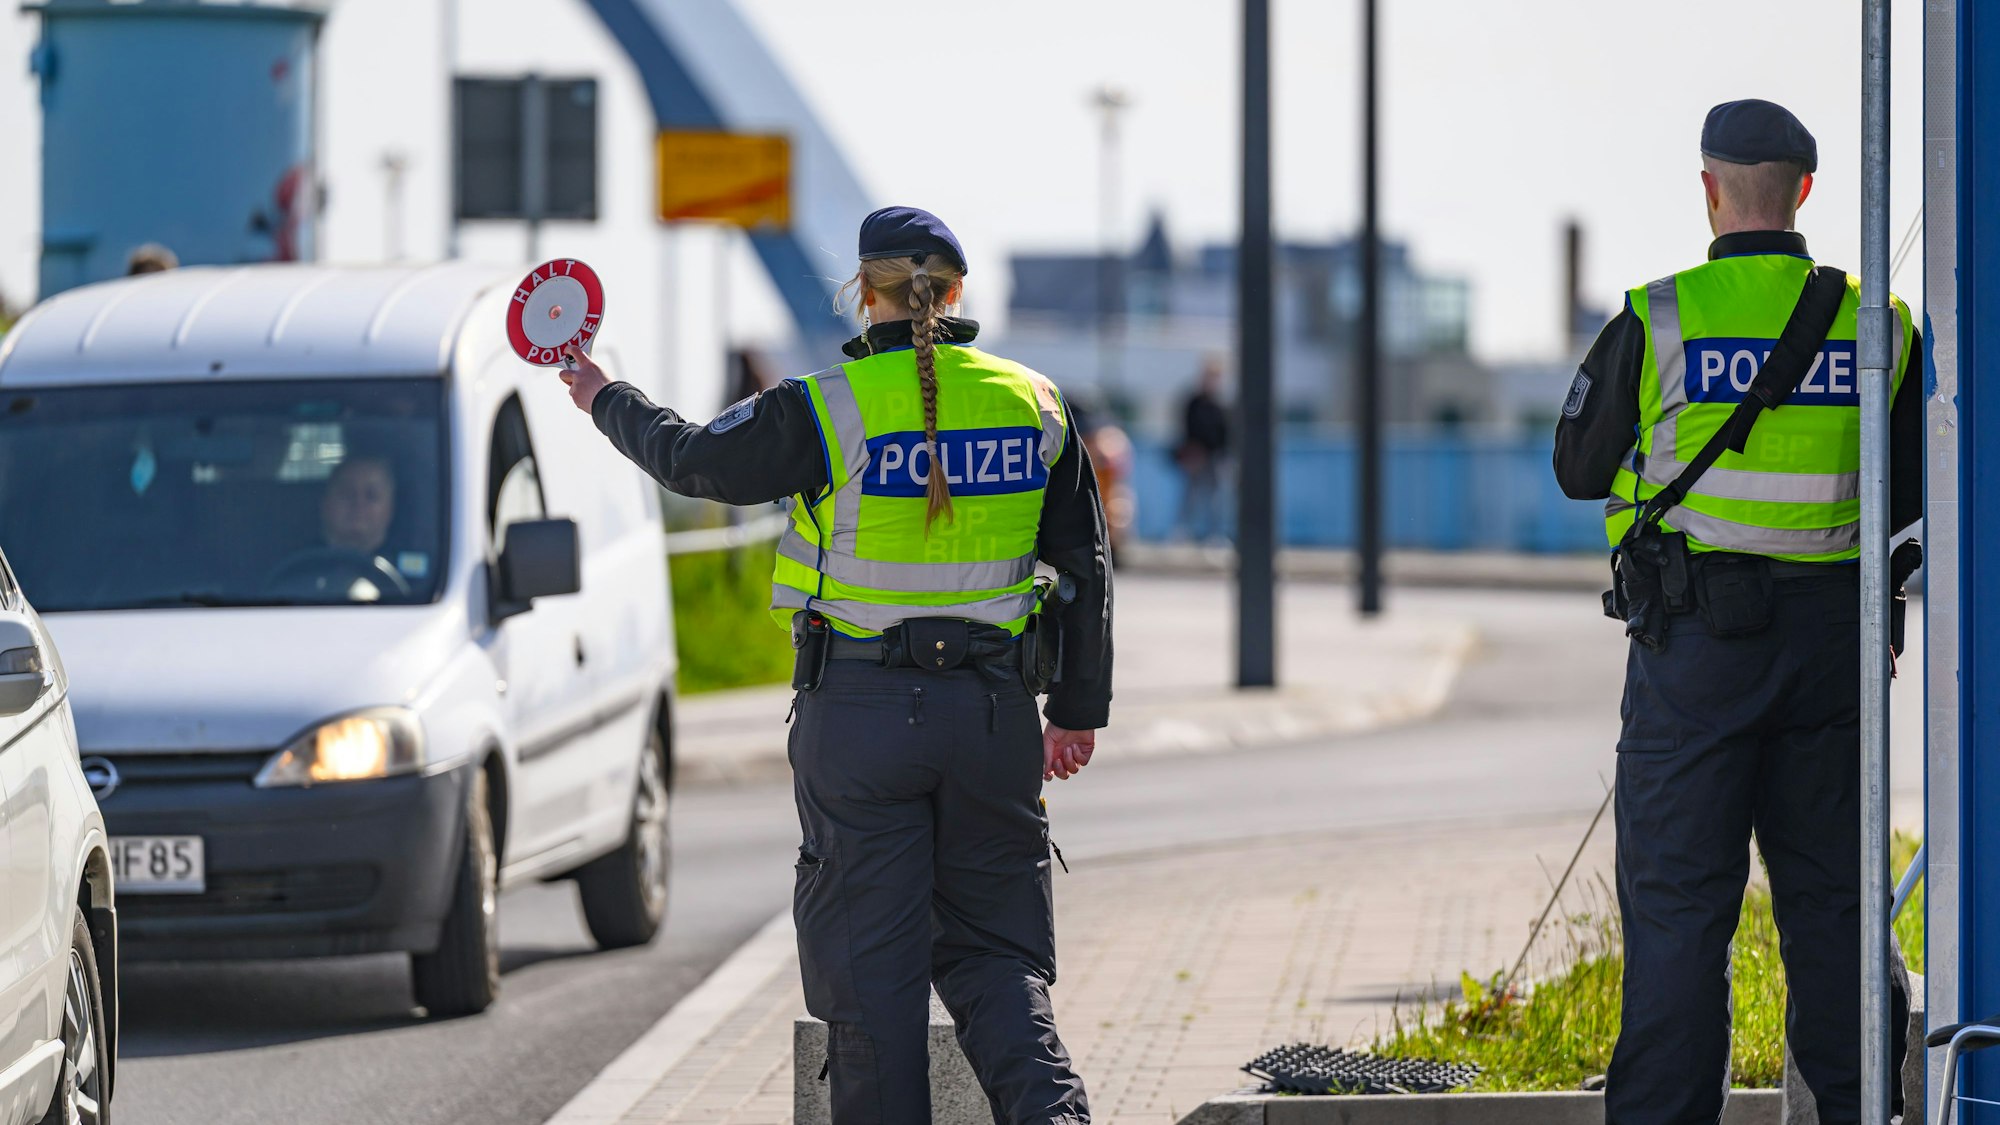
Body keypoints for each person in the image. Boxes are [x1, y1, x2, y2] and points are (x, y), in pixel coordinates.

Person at [559, 206, 1109, 1124]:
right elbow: (1086, 570)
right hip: (993, 718)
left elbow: (691, 459)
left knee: (872, 989)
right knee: (995, 960)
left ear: (866, 293)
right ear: (960, 291)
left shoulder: (821, 407)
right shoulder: (1037, 403)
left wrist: (603, 395)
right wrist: (1075, 710)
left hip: (859, 720)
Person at [1552, 99, 1922, 1125]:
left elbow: (1577, 470)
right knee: (1835, 916)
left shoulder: (1661, 314)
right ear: (1802, 189)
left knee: (1677, 918)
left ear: (1708, 189)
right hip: (1834, 656)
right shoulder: (1876, 325)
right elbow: (1916, 492)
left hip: (1695, 652)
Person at [1174, 356, 1230, 542]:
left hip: (1215, 457)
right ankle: (1183, 531)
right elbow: (1187, 427)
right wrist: (1190, 451)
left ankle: (1215, 535)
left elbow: (1226, 433)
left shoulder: (1221, 404)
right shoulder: (1194, 402)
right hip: (1195, 456)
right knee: (1191, 495)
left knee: (1216, 498)